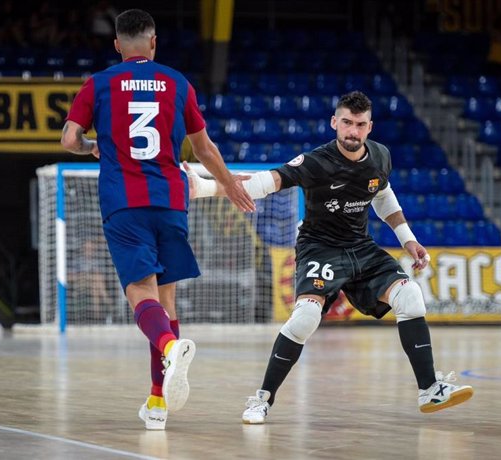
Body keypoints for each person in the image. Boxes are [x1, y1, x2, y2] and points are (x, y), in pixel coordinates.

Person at [187, 91, 474, 424]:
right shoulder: (316, 162)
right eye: (347, 123)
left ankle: (429, 389)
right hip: (319, 248)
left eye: (360, 125)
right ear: (335, 123)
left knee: (411, 296)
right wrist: (207, 188)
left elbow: (382, 195)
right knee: (305, 318)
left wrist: (408, 239)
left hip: (360, 248)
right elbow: (268, 182)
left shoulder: (380, 156)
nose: (353, 131)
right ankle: (262, 399)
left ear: (370, 127)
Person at [61, 9, 255, 431]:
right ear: (153, 42)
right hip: (171, 202)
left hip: (124, 203)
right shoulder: (177, 82)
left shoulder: (98, 84)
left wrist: (93, 145)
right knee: (167, 300)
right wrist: (229, 186)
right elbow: (204, 149)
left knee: (139, 292)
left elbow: (70, 139)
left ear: (117, 45)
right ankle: (156, 402)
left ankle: (168, 347)